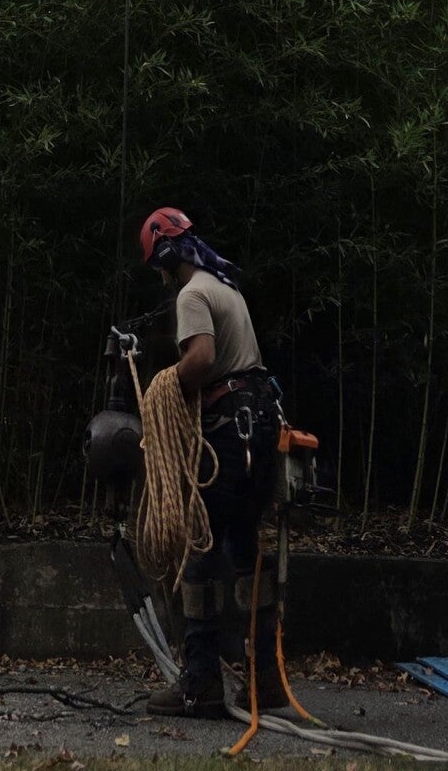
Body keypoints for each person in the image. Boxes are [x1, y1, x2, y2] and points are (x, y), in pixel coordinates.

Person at [138, 206, 287, 721]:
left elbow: (201, 359)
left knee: (199, 551)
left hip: (229, 434)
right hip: (259, 429)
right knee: (245, 552)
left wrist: (166, 385)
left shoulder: (192, 295)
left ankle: (200, 685)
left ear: (163, 258)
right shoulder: (226, 287)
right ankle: (265, 681)